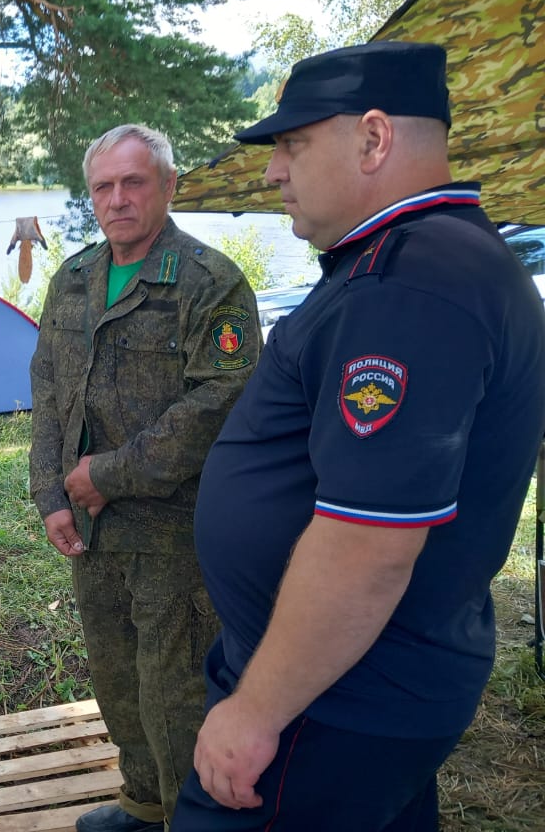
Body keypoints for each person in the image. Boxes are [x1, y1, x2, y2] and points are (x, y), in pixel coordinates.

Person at [176, 41, 545, 831]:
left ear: (374, 139)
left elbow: (368, 546)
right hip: (368, 690)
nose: (274, 171)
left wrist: (255, 714)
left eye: (292, 144)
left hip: (331, 703)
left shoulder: (409, 283)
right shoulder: (426, 258)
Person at [29, 124, 261, 832]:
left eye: (135, 182)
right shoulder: (73, 280)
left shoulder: (210, 282)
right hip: (95, 527)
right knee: (117, 674)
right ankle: (142, 802)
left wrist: (109, 475)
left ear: (169, 185)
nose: (118, 199)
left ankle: (195, 816)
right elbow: (47, 392)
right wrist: (52, 496)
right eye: (104, 186)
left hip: (175, 531)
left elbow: (218, 402)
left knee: (177, 687)